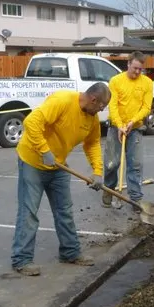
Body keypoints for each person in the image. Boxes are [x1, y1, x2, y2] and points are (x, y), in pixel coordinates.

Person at [11, 83, 111, 276]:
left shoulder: (92, 118)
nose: (102, 110)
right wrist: (43, 150)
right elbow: (31, 122)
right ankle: (21, 259)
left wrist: (97, 172)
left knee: (64, 210)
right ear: (93, 99)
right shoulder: (63, 101)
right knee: (29, 212)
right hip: (32, 161)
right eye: (101, 106)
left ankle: (70, 252)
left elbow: (92, 144)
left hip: (58, 165)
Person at [102, 52, 154, 209]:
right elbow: (113, 105)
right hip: (115, 127)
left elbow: (146, 107)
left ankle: (135, 198)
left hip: (135, 128)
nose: (137, 72)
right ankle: (109, 191)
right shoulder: (116, 81)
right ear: (128, 64)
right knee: (112, 163)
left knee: (135, 163)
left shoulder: (147, 83)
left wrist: (132, 122)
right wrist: (119, 124)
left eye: (140, 69)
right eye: (135, 68)